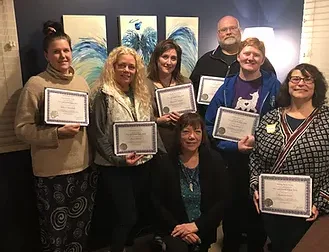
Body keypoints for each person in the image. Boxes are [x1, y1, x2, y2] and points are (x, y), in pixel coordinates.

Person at [14, 21, 97, 252]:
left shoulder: (81, 83)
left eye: (66, 50)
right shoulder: (36, 85)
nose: (63, 56)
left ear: (72, 52)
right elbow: (21, 129)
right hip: (52, 173)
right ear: (46, 55)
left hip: (83, 168)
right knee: (55, 234)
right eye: (56, 51)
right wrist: (56, 133)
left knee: (80, 229)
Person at [205, 38, 281, 252]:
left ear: (262, 59)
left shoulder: (273, 86)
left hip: (262, 160)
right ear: (238, 56)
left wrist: (261, 138)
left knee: (258, 212)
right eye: (246, 54)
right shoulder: (226, 87)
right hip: (231, 163)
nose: (250, 58)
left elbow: (280, 122)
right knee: (231, 212)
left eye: (256, 55)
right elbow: (210, 126)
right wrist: (233, 147)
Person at [250, 63, 329, 252]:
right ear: (288, 84)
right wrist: (255, 186)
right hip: (273, 206)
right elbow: (256, 157)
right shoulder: (270, 118)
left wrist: (321, 201)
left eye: (307, 79)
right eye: (295, 79)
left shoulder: (326, 119)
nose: (300, 83)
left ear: (316, 84)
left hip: (311, 210)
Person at [88, 46, 155, 252]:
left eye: (131, 67)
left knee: (134, 212)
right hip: (114, 166)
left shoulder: (141, 92)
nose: (127, 70)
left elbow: (149, 125)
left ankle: (127, 245)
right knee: (127, 215)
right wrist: (116, 159)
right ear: (112, 67)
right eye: (122, 65)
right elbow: (97, 132)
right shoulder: (103, 94)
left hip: (141, 163)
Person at [151, 112, 229, 252]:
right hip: (174, 228)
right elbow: (157, 203)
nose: (192, 136)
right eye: (186, 131)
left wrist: (197, 226)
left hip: (203, 227)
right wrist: (182, 229)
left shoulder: (214, 160)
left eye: (197, 131)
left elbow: (222, 201)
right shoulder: (165, 163)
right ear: (178, 134)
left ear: (202, 135)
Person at [190, 15, 275, 117]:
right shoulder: (205, 61)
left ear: (240, 31)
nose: (228, 32)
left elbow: (273, 95)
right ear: (218, 34)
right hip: (209, 124)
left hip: (251, 127)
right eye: (224, 30)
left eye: (233, 28)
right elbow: (192, 92)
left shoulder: (259, 63)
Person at [147, 39, 191, 151]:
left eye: (173, 58)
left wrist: (184, 118)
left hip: (182, 141)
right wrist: (157, 120)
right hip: (157, 141)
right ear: (157, 58)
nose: (169, 62)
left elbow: (193, 115)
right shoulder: (144, 85)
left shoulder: (186, 83)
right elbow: (139, 117)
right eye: (165, 57)